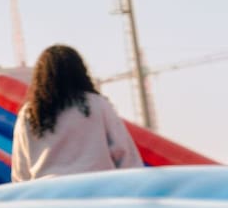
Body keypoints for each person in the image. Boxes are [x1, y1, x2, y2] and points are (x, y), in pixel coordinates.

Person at [11, 44, 145, 182]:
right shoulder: (97, 105)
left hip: (48, 193)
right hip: (97, 188)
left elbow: (20, 171)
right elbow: (125, 153)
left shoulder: (30, 113)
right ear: (80, 72)